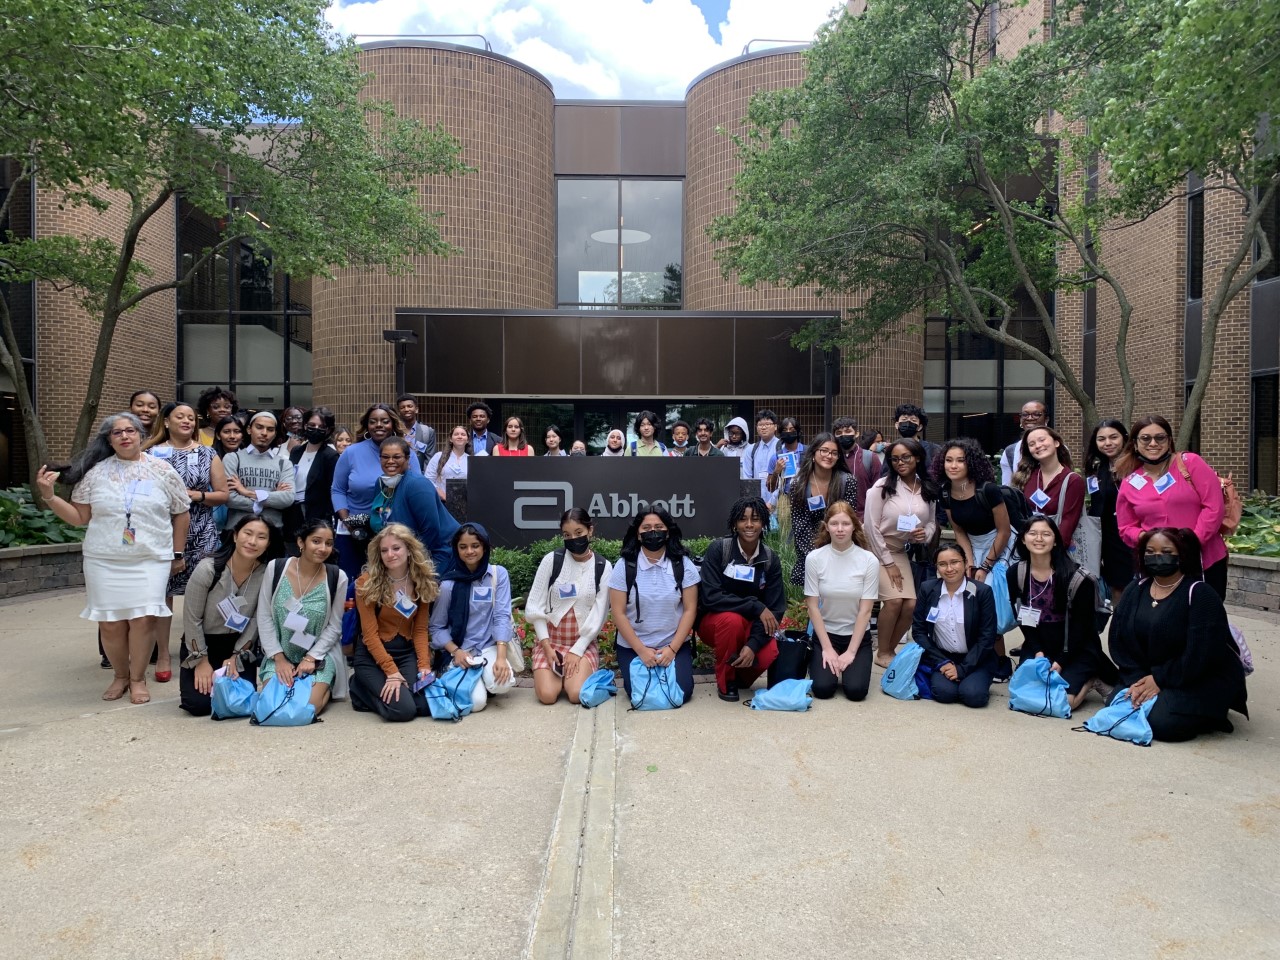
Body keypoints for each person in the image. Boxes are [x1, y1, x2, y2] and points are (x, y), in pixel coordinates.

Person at [37, 412, 190, 705]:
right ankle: (120, 675)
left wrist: (177, 553)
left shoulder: (163, 470)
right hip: (104, 558)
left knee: (144, 619)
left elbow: (181, 512)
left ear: (141, 436)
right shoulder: (95, 473)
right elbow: (79, 517)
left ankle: (137, 679)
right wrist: (49, 496)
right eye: (116, 433)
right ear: (109, 440)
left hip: (150, 557)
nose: (124, 436)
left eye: (130, 431)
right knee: (110, 623)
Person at [1108, 527, 1248, 741]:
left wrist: (1160, 679)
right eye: (1150, 552)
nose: (1157, 557)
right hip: (1147, 673)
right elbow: (1119, 641)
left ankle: (1211, 714)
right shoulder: (1135, 589)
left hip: (1195, 677)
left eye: (1166, 551)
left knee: (1162, 723)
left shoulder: (1200, 595)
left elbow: (1202, 656)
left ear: (1182, 555)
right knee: (1114, 702)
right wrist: (1137, 679)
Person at [147, 401, 229, 682]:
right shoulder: (149, 453)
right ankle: (161, 653)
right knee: (163, 593)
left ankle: (195, 647)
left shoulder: (208, 454)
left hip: (201, 530)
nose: (186, 421)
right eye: (179, 417)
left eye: (191, 418)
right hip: (161, 531)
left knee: (203, 592)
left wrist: (197, 496)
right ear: (166, 421)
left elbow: (223, 494)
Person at [1006, 516, 1118, 710]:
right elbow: (1022, 616)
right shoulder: (1016, 573)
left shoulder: (1077, 578)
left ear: (1056, 540)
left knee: (1062, 702)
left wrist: (1061, 661)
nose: (1039, 538)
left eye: (1046, 534)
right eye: (1032, 533)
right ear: (1023, 539)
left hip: (1076, 646)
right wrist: (1037, 651)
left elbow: (1082, 627)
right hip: (1039, 643)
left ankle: (1092, 678)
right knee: (1024, 695)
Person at [1115, 415, 1229, 599]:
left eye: (1160, 438)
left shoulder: (1190, 464)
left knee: (1204, 617)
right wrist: (1145, 538)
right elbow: (1126, 527)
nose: (1153, 443)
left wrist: (1190, 543)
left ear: (1169, 441)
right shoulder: (1129, 482)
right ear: (1135, 444)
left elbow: (1213, 507)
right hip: (1160, 563)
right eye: (1145, 438)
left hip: (1204, 559)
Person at [178, 516, 282, 716]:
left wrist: (236, 656)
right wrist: (201, 660)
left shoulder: (265, 574)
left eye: (261, 537)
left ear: (268, 543)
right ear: (235, 536)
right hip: (203, 643)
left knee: (239, 701)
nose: (252, 542)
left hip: (238, 645)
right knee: (199, 706)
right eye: (247, 533)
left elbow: (256, 620)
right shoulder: (209, 569)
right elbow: (192, 618)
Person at [608, 508, 701, 704]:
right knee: (639, 692)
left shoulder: (683, 565)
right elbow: (618, 613)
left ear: (668, 532)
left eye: (659, 527)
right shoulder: (624, 566)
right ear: (638, 534)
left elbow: (690, 609)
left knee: (682, 692)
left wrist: (672, 649)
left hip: (673, 643)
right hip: (634, 646)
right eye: (647, 528)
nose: (653, 532)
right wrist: (641, 651)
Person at [256, 519, 348, 717]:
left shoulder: (337, 577)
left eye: (329, 543)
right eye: (316, 541)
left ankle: (324, 687)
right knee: (271, 706)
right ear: (301, 542)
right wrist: (279, 659)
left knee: (304, 709)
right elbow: (264, 617)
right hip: (281, 654)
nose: (323, 548)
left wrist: (311, 658)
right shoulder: (276, 568)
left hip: (318, 657)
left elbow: (334, 627)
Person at [349, 523, 440, 721]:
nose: (390, 554)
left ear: (409, 550)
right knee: (404, 710)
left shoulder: (422, 581)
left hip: (405, 653)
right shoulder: (366, 583)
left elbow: (420, 629)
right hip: (372, 657)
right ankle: (358, 687)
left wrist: (424, 666)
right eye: (384, 550)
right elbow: (369, 635)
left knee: (424, 705)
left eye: (396, 548)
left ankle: (380, 690)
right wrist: (391, 672)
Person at [697, 497, 785, 702]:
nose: (749, 525)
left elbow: (775, 608)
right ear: (734, 523)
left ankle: (739, 676)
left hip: (750, 625)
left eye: (755, 519)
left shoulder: (770, 559)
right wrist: (755, 606)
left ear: (763, 523)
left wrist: (753, 645)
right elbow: (710, 597)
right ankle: (726, 681)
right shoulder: (720, 549)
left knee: (769, 651)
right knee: (732, 620)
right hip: (715, 622)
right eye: (743, 519)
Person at [524, 508, 613, 705]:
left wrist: (577, 650)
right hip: (551, 643)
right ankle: (560, 676)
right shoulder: (552, 560)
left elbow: (599, 615)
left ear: (590, 531)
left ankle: (593, 679)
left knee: (575, 695)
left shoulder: (603, 567)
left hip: (581, 642)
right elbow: (534, 607)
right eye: (567, 535)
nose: (573, 538)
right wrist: (546, 646)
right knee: (547, 696)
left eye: (579, 532)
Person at [865, 437, 939, 669]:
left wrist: (923, 535)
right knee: (895, 601)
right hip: (876, 550)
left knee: (911, 605)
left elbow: (933, 523)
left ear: (917, 458)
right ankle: (883, 652)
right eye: (895, 459)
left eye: (905, 457)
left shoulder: (927, 487)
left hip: (900, 550)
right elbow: (870, 527)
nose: (900, 462)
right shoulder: (881, 488)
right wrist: (887, 563)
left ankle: (888, 649)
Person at [429, 523, 518, 712]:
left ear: (484, 546)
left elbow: (502, 616)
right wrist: (456, 651)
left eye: (475, 546)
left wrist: (501, 658)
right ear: (456, 549)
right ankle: (466, 677)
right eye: (463, 547)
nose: (469, 551)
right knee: (477, 704)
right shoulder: (448, 585)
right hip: (462, 651)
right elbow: (436, 627)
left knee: (503, 683)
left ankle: (481, 677)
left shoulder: (497, 574)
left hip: (488, 647)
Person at [330, 403, 421, 579]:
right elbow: (337, 489)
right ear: (367, 425)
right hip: (355, 533)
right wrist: (347, 521)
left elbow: (416, 489)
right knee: (354, 584)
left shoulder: (407, 453)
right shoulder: (351, 452)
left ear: (393, 424)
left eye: (385, 421)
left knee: (392, 582)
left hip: (395, 533)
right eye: (373, 421)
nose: (379, 425)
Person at [804, 501, 880, 701]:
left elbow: (865, 611)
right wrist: (828, 649)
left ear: (854, 526)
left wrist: (850, 652)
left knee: (856, 692)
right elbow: (812, 606)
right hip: (825, 635)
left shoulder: (869, 560)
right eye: (834, 523)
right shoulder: (814, 558)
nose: (840, 529)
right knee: (822, 689)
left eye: (845, 524)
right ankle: (826, 662)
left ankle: (851, 664)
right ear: (826, 526)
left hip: (856, 637)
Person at [912, 543, 1000, 707]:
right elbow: (919, 631)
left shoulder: (982, 591)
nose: (949, 568)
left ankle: (973, 679)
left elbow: (987, 637)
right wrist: (942, 662)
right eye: (942, 564)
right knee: (944, 694)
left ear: (966, 563)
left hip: (976, 658)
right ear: (937, 567)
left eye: (955, 562)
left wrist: (962, 669)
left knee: (973, 696)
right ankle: (953, 677)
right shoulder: (927, 588)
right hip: (943, 657)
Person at [374, 436, 459, 571]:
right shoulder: (381, 484)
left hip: (436, 553)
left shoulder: (417, 484)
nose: (390, 461)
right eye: (385, 457)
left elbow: (430, 530)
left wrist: (410, 562)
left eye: (397, 457)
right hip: (402, 554)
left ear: (407, 459)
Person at [936, 438, 1011, 583]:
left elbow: (1004, 531)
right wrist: (969, 564)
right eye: (948, 460)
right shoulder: (945, 492)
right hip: (972, 546)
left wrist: (985, 566)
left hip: (1000, 546)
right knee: (969, 587)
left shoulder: (988, 490)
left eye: (960, 461)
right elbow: (959, 531)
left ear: (971, 463)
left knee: (991, 587)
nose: (953, 466)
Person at [787, 434, 858, 587]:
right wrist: (817, 556)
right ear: (813, 454)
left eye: (834, 453)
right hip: (810, 552)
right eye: (824, 451)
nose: (829, 456)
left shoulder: (848, 481)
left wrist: (834, 553)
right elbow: (799, 525)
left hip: (841, 549)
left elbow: (848, 521)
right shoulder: (798, 484)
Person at [1084, 419, 1135, 604]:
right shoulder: (1098, 467)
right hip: (1107, 538)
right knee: (1117, 590)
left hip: (1131, 537)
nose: (1108, 443)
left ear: (1125, 438)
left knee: (1134, 588)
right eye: (1102, 439)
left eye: (1114, 437)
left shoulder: (1136, 466)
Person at [222, 411, 296, 535]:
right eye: (259, 427)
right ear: (249, 429)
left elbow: (287, 498)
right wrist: (270, 499)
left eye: (270, 429)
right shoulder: (232, 458)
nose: (264, 433)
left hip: (273, 531)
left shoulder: (284, 464)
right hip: (236, 530)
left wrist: (246, 492)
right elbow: (230, 498)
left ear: (275, 433)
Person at [1013, 426, 1084, 548]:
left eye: (1042, 440)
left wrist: (1050, 551)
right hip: (1028, 547)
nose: (1038, 445)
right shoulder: (1026, 477)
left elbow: (1068, 521)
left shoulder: (1073, 480)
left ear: (1056, 442)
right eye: (1032, 444)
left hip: (1056, 550)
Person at [285, 407, 339, 537]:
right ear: (305, 425)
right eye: (312, 425)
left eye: (321, 426)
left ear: (328, 430)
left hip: (315, 515)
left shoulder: (330, 456)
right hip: (293, 512)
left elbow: (332, 491)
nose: (316, 429)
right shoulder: (296, 451)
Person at [832, 416, 880, 519]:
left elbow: (879, 493)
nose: (843, 435)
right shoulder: (830, 459)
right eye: (839, 433)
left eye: (848, 431)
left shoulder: (870, 458)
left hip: (863, 521)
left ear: (856, 433)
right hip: (835, 521)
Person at [885, 404, 942, 476]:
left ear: (919, 427)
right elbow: (885, 474)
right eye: (904, 419)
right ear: (897, 425)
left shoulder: (933, 449)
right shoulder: (891, 449)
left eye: (913, 420)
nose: (908, 423)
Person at [1001, 401, 1049, 485]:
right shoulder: (1010, 452)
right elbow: (1007, 489)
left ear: (1046, 419)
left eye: (1036, 414)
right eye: (1025, 414)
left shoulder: (1058, 448)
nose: (1030, 418)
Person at [740, 410, 780, 500]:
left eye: (767, 424)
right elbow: (747, 479)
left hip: (778, 502)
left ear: (775, 427)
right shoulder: (750, 450)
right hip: (757, 503)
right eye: (760, 425)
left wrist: (772, 502)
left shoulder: (782, 447)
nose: (763, 427)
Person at [426, 426, 471, 499]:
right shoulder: (438, 456)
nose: (460, 436)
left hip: (465, 503)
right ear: (451, 439)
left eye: (463, 434)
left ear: (467, 440)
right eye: (456, 434)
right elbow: (428, 479)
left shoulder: (471, 460)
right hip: (442, 502)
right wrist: (442, 495)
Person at [397, 393, 438, 468]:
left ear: (416, 409)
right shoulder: (394, 432)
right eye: (402, 407)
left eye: (409, 406)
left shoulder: (427, 432)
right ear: (399, 412)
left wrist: (423, 479)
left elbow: (429, 460)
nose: (406, 409)